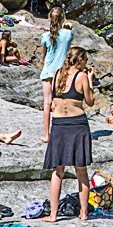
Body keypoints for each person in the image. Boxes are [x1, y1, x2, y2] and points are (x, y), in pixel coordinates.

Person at [43, 48, 94, 223]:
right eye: (85, 60)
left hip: (58, 125)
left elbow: (48, 102)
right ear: (80, 61)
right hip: (77, 125)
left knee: (58, 171)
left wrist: (46, 131)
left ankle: (53, 214)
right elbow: (90, 101)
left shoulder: (57, 74)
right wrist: (91, 81)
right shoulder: (82, 77)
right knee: (81, 170)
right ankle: (84, 213)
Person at [39, 8, 74, 145]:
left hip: (47, 71)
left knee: (47, 103)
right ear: (63, 19)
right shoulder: (68, 34)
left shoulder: (45, 36)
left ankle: (47, 135)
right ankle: (64, 133)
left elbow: (44, 56)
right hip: (61, 72)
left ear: (49, 19)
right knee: (62, 102)